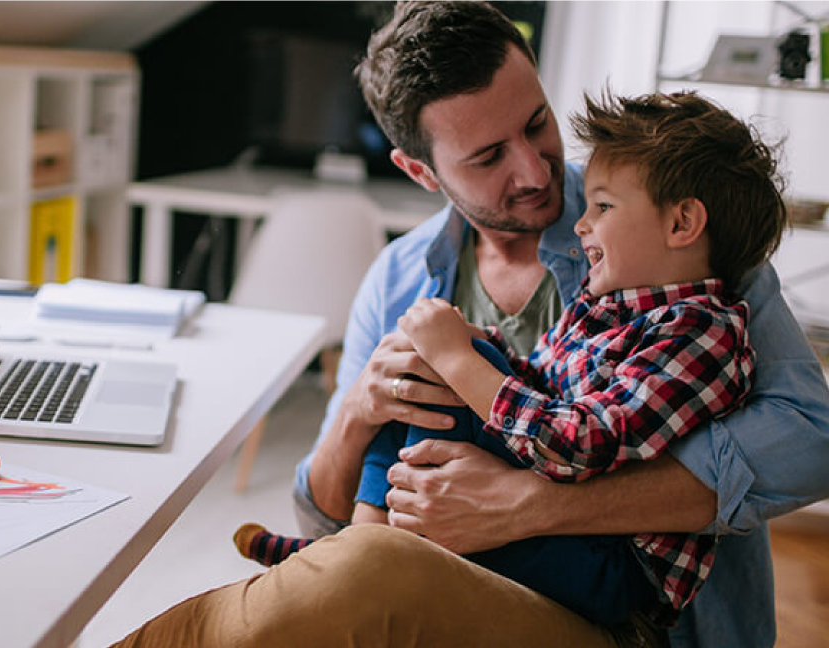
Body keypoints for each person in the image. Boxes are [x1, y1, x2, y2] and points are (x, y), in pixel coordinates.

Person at [113, 2, 829, 646]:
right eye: (488, 157)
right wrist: (362, 407)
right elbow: (319, 511)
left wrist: (528, 507)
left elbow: (810, 438)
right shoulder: (399, 279)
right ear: (421, 172)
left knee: (363, 573)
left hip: (627, 617)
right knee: (351, 550)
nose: (535, 172)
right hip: (453, 572)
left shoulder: (662, 236)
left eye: (537, 124)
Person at [234, 88, 782, 630]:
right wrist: (467, 349)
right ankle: (352, 549)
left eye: (604, 207)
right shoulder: (607, 307)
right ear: (422, 170)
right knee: (415, 376)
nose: (583, 223)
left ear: (682, 224)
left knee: (448, 369)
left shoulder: (703, 331)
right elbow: (538, 380)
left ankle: (351, 561)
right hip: (564, 510)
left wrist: (462, 360)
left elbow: (580, 444)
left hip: (613, 564)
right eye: (488, 153)